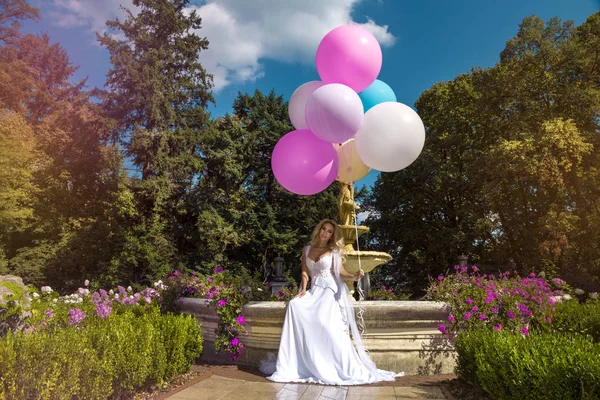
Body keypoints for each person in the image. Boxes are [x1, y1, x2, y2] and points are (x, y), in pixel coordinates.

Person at [264, 219, 402, 385]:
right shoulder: (306, 249)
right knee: (294, 305)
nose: (325, 233)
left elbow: (341, 272)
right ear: (319, 230)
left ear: (331, 236)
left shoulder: (334, 251)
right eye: (324, 229)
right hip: (314, 290)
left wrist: (353, 277)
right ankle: (300, 363)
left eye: (329, 231)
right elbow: (305, 272)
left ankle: (334, 365)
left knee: (325, 324)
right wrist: (302, 290)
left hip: (330, 291)